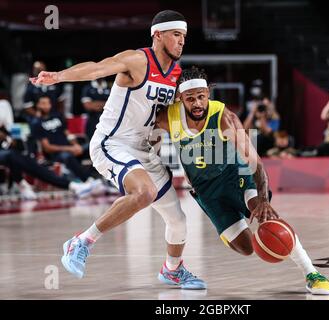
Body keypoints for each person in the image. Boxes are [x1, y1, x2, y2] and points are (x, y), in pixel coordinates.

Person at [30, 10, 206, 289]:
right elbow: (97, 67)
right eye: (176, 34)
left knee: (178, 220)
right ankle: (81, 242)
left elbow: (165, 120)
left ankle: (172, 269)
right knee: (144, 192)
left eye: (184, 36)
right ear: (157, 35)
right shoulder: (137, 60)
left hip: (144, 151)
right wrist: (59, 76)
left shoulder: (176, 75)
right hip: (112, 143)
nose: (181, 41)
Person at [154, 67, 329, 295]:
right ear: (181, 98)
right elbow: (139, 131)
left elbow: (255, 162)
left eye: (201, 96)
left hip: (235, 174)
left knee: (265, 217)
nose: (197, 103)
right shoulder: (167, 118)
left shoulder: (224, 118)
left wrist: (263, 198)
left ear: (208, 93)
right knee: (247, 248)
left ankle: (312, 273)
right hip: (205, 191)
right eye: (190, 99)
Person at [31, 95, 94, 183]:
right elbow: (47, 148)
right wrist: (70, 149)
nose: (46, 106)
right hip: (55, 154)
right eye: (43, 103)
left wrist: (76, 145)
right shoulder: (36, 123)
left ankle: (103, 177)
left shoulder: (57, 116)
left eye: (48, 103)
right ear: (38, 105)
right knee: (67, 156)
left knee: (93, 146)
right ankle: (88, 180)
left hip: (70, 148)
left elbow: (68, 133)